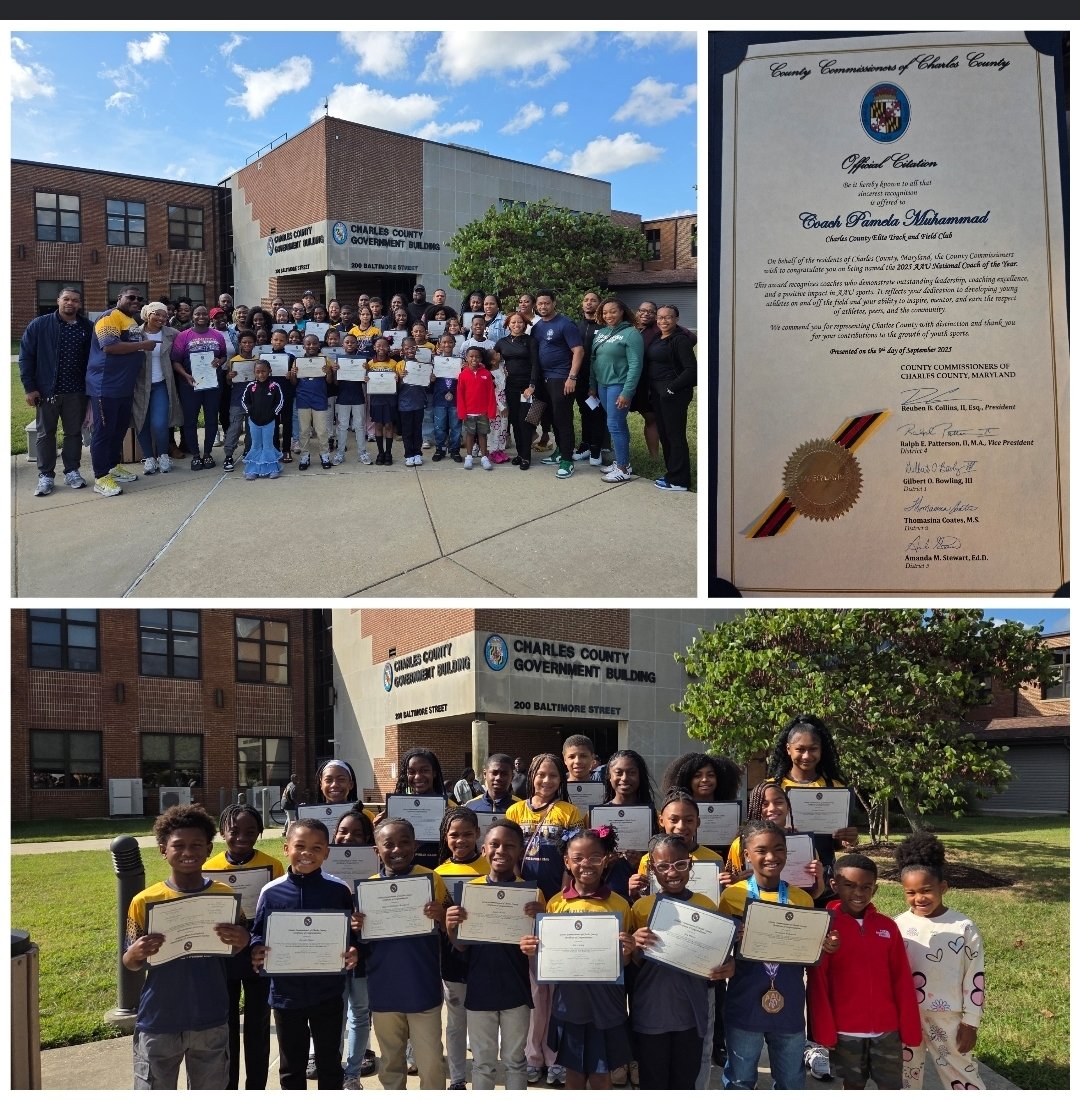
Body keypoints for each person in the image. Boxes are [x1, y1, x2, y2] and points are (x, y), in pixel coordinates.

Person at [121, 803, 250, 1089]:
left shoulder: (225, 895)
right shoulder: (144, 900)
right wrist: (136, 953)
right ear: (163, 850)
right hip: (160, 1018)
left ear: (208, 849)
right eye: (178, 845)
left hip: (210, 1017)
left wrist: (243, 939)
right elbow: (129, 961)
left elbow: (239, 942)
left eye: (196, 845)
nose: (188, 852)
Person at [719, 818, 840, 1090]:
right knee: (739, 1079)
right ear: (746, 854)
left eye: (778, 849)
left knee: (791, 1080)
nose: (771, 857)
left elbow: (809, 951)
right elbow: (721, 949)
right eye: (761, 850)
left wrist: (825, 945)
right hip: (745, 1001)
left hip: (789, 1001)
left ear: (787, 852)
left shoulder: (802, 899)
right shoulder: (732, 896)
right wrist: (732, 939)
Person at [519, 826, 635, 1090]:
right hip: (569, 1004)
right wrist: (533, 950)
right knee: (573, 1073)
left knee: (601, 1075)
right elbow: (548, 958)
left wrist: (627, 952)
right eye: (578, 858)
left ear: (606, 859)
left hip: (606, 1004)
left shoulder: (620, 904)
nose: (586, 864)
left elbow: (625, 963)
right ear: (566, 861)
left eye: (595, 857)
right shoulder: (555, 904)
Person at [250, 818, 359, 1090]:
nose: (307, 853)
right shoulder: (271, 892)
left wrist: (354, 950)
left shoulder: (338, 890)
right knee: (291, 1066)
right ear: (286, 848)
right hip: (286, 995)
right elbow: (258, 932)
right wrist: (256, 948)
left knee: (330, 1063)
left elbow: (351, 933)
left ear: (327, 853)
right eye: (300, 846)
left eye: (316, 848)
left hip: (328, 993)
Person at [807, 853, 922, 1090]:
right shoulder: (825, 927)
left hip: (887, 1030)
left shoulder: (888, 927)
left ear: (875, 889)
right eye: (849, 885)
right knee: (852, 1086)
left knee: (891, 1087)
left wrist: (909, 1026)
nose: (858, 893)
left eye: (866, 887)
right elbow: (818, 983)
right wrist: (824, 1030)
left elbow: (901, 979)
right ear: (834, 885)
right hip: (845, 1030)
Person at [629, 833, 735, 1089]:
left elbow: (717, 953)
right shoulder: (641, 907)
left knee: (685, 1080)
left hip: (691, 1011)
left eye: (680, 864)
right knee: (653, 1082)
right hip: (652, 1011)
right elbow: (633, 963)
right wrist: (633, 943)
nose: (672, 872)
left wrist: (729, 964)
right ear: (652, 869)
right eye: (663, 866)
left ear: (690, 865)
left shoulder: (706, 904)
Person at [445, 819, 541, 1090]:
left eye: (509, 846)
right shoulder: (471, 892)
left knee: (515, 1061)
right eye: (495, 845)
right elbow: (461, 946)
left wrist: (540, 919)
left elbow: (540, 947)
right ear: (484, 849)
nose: (501, 851)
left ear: (520, 851)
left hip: (516, 991)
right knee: (483, 1063)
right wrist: (451, 927)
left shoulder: (532, 894)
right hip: (480, 990)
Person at [506, 753, 584, 1086]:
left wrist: (561, 899)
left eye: (553, 776)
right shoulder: (514, 812)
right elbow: (508, 854)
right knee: (534, 988)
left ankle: (555, 1057)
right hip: (524, 906)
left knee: (556, 986)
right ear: (531, 776)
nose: (547, 781)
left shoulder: (570, 813)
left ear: (561, 779)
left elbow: (572, 860)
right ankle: (532, 1055)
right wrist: (519, 891)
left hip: (557, 907)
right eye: (541, 775)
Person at [358, 818, 450, 1091]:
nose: (397, 849)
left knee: (431, 1062)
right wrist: (356, 927)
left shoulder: (431, 878)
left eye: (404, 842)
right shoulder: (368, 889)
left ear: (416, 845)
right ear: (376, 850)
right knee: (390, 1062)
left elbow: (451, 928)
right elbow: (362, 944)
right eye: (388, 844)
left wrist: (442, 915)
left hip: (422, 986)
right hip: (384, 989)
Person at [894, 832, 986, 1090]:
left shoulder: (963, 927)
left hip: (948, 1019)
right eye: (911, 892)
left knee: (961, 1074)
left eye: (926, 890)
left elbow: (975, 977)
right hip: (906, 1016)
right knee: (906, 1076)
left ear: (943, 887)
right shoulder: (897, 926)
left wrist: (971, 1022)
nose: (919, 898)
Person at [203, 804, 285, 1090]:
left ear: (260, 833)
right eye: (234, 831)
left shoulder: (272, 865)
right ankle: (229, 1088)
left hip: (257, 955)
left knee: (257, 1025)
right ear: (222, 832)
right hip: (222, 957)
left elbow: (277, 909)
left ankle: (256, 1087)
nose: (242, 837)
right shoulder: (209, 868)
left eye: (251, 831)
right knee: (225, 1026)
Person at [767, 715, 859, 903]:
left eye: (813, 749)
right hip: (781, 874)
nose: (807, 756)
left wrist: (848, 838)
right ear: (788, 749)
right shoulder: (771, 788)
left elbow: (836, 843)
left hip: (823, 876)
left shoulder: (835, 788)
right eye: (800, 749)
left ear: (821, 750)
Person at [19, 285, 93, 496]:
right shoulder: (40, 325)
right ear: (58, 301)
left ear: (79, 304)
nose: (70, 303)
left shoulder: (87, 327)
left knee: (73, 433)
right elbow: (26, 357)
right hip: (46, 392)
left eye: (75, 300)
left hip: (76, 392)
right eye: (66, 299)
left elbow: (93, 358)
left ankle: (72, 471)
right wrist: (30, 388)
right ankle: (46, 475)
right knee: (45, 434)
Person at [434, 808, 489, 1089]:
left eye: (468, 834)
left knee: (482, 1023)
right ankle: (457, 1078)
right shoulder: (438, 873)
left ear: (478, 833)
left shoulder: (490, 868)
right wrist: (441, 918)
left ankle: (482, 1075)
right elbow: (434, 920)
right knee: (456, 1022)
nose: (461, 840)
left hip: (486, 956)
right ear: (446, 837)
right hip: (452, 956)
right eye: (454, 835)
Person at [86, 286, 154, 497]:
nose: (136, 301)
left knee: (119, 429)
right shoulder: (109, 317)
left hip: (124, 386)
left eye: (139, 298)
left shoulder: (130, 320)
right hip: (105, 385)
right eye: (131, 297)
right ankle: (101, 477)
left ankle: (113, 465)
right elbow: (109, 347)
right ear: (119, 298)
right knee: (104, 431)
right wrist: (143, 345)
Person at [332, 810, 378, 1088]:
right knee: (335, 1013)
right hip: (332, 951)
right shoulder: (324, 867)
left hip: (364, 949)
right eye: (343, 832)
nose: (348, 837)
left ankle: (353, 1073)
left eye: (357, 834)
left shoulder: (375, 870)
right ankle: (331, 1065)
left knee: (360, 1012)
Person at [589, 297, 643, 484]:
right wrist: (592, 385)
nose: (608, 315)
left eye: (613, 311)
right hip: (602, 385)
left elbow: (636, 365)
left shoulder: (631, 333)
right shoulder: (602, 332)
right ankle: (621, 461)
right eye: (605, 312)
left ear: (622, 312)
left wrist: (627, 392)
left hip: (618, 385)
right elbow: (594, 360)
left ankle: (623, 469)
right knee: (617, 424)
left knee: (615, 424)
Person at [533, 289, 584, 479]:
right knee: (552, 418)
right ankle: (560, 451)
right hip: (544, 379)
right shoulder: (538, 326)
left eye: (546, 303)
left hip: (561, 378)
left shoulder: (565, 324)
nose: (543, 306)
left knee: (563, 419)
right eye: (540, 304)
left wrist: (572, 377)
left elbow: (578, 351)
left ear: (554, 303)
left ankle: (567, 460)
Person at [171, 304, 227, 472]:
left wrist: (220, 361)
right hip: (190, 385)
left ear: (208, 317)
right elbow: (175, 361)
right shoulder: (183, 336)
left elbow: (223, 355)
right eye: (197, 314)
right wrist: (186, 375)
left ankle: (208, 453)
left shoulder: (217, 335)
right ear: (192, 316)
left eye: (204, 314)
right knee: (190, 421)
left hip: (212, 384)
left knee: (211, 419)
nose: (201, 316)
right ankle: (195, 455)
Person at [648, 304, 697, 491]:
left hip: (674, 394)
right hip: (659, 393)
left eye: (668, 317)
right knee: (665, 434)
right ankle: (672, 473)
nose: (663, 321)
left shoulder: (680, 340)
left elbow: (691, 370)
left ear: (677, 319)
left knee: (675, 436)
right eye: (660, 317)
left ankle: (680, 481)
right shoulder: (657, 337)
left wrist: (671, 389)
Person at [132, 302, 182, 476]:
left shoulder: (172, 334)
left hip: (161, 384)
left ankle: (163, 455)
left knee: (160, 423)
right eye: (157, 314)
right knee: (142, 423)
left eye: (164, 315)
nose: (161, 318)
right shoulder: (135, 333)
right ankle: (148, 458)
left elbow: (185, 349)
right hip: (139, 385)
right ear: (148, 314)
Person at [494, 312, 540, 471]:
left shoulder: (531, 341)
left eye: (520, 322)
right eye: (513, 322)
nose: (516, 325)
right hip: (509, 387)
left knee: (524, 422)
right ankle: (520, 454)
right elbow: (493, 361)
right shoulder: (502, 342)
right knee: (514, 421)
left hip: (526, 388)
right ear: (508, 324)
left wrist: (532, 385)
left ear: (525, 324)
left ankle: (526, 456)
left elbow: (535, 364)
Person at [572, 290, 607, 467]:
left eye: (593, 300)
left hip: (599, 378)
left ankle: (596, 448)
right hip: (579, 377)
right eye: (586, 300)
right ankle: (585, 445)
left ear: (599, 304)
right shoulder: (576, 326)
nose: (589, 303)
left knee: (597, 413)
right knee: (584, 411)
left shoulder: (604, 327)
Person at [289, 331, 333, 470]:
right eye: (308, 344)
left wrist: (329, 372)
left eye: (314, 343)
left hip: (320, 399)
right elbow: (293, 382)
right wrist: (293, 374)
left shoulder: (325, 359)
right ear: (303, 346)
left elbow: (329, 381)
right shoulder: (298, 361)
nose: (311, 346)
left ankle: (324, 454)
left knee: (321, 430)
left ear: (319, 345)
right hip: (303, 399)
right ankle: (304, 456)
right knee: (304, 430)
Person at [240, 359, 284, 480]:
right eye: (258, 372)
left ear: (269, 371)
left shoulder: (274, 386)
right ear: (254, 372)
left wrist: (273, 414)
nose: (261, 374)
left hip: (269, 422)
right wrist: (250, 412)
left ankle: (272, 469)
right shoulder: (250, 386)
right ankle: (253, 470)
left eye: (263, 371)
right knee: (256, 445)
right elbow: (244, 401)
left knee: (268, 445)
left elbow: (280, 402)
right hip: (254, 421)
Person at [222, 329, 257, 472]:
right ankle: (228, 455)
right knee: (235, 427)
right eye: (244, 342)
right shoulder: (233, 360)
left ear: (254, 344)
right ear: (240, 344)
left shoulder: (257, 360)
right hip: (237, 399)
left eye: (250, 342)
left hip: (253, 400)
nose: (247, 345)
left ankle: (248, 451)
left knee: (251, 428)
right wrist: (229, 376)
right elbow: (229, 382)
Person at [456, 346, 497, 471]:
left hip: (483, 412)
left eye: (477, 356)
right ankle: (469, 457)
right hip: (469, 412)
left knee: (482, 434)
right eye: (471, 356)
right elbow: (460, 394)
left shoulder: (486, 374)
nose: (474, 359)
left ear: (481, 358)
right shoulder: (463, 374)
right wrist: (462, 411)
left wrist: (491, 411)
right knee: (469, 434)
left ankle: (484, 457)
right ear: (466, 358)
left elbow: (491, 393)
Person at [333, 332, 371, 465]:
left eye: (353, 342)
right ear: (342, 345)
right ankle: (340, 453)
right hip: (343, 397)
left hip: (358, 396)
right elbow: (335, 383)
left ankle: (362, 453)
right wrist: (335, 371)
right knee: (342, 426)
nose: (350, 344)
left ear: (357, 345)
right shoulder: (338, 361)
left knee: (359, 426)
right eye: (347, 342)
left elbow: (366, 381)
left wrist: (366, 372)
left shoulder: (363, 360)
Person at [366, 336, 403, 466]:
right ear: (374, 347)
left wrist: (398, 379)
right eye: (378, 346)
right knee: (378, 425)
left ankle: (388, 453)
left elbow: (399, 382)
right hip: (376, 399)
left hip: (390, 399)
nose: (381, 348)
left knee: (388, 425)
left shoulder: (394, 363)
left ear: (388, 348)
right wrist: (366, 379)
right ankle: (380, 452)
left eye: (384, 346)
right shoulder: (369, 364)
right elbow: (365, 380)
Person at [397, 337, 434, 467]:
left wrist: (430, 379)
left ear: (416, 348)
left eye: (412, 347)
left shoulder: (422, 365)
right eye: (406, 348)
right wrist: (400, 379)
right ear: (402, 350)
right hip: (404, 403)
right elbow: (395, 387)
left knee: (418, 429)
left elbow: (426, 386)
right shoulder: (399, 365)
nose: (410, 350)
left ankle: (418, 453)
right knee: (407, 431)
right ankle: (409, 455)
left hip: (418, 402)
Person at [660, 752, 743, 809]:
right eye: (697, 776)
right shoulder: (679, 808)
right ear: (688, 780)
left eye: (710, 775)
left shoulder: (729, 810)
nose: (705, 779)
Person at [431, 332, 462, 463]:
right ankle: (440, 449)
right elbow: (427, 380)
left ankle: (455, 450)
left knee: (456, 426)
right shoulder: (434, 361)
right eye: (444, 342)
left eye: (450, 342)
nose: (447, 344)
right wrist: (431, 378)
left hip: (456, 399)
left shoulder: (459, 361)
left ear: (454, 344)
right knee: (439, 426)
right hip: (439, 399)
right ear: (439, 345)